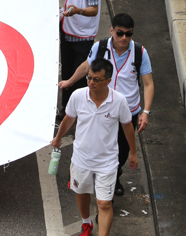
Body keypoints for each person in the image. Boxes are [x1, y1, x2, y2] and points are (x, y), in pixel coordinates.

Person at [60, 12, 154, 197]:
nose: (124, 38)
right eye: (120, 33)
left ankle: (114, 175)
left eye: (128, 34)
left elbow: (148, 83)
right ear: (112, 30)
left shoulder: (139, 52)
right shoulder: (100, 47)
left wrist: (146, 112)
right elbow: (86, 66)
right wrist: (70, 82)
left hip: (128, 111)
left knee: (123, 149)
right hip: (104, 109)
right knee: (101, 144)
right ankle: (96, 178)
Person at [52, 58, 137, 236]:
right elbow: (68, 120)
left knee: (104, 204)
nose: (91, 82)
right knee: (82, 193)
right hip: (81, 159)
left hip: (107, 162)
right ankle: (86, 223)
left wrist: (133, 153)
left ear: (108, 81)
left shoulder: (119, 101)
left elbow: (127, 126)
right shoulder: (78, 96)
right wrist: (58, 138)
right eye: (89, 78)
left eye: (96, 79)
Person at [60, 0, 101, 110]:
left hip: (82, 36)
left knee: (78, 78)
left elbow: (94, 9)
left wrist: (78, 10)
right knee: (67, 72)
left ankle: (77, 112)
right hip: (68, 31)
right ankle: (65, 109)